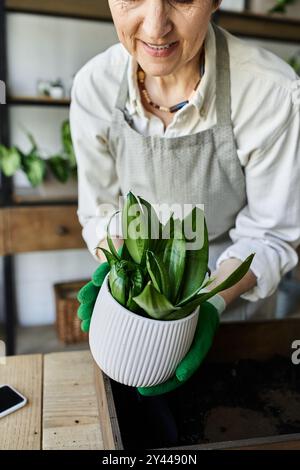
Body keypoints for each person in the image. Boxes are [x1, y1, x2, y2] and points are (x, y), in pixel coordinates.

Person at [71, 0, 300, 445]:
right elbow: (99, 211)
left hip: (232, 290)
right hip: (138, 290)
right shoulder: (95, 87)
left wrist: (210, 304)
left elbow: (271, 235)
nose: (156, 27)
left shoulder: (270, 92)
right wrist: (122, 277)